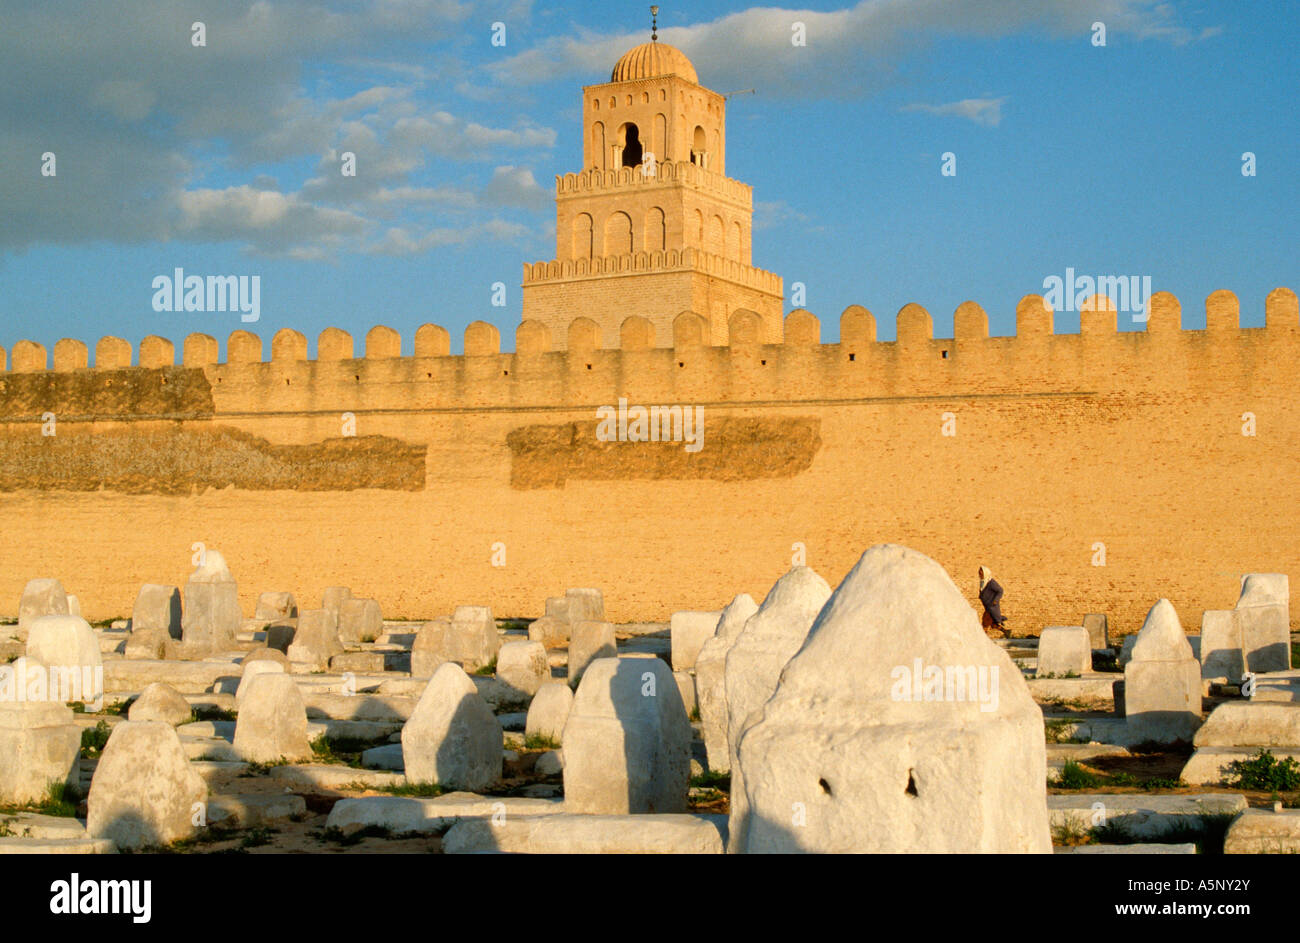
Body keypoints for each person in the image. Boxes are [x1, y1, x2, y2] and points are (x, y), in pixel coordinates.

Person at [978, 565, 1008, 637]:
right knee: (993, 624)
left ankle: (983, 639)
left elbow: (1000, 590)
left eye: (981, 572)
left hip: (992, 607)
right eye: (979, 572)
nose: (980, 573)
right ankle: (1007, 632)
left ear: (985, 573)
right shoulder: (983, 582)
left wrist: (995, 600)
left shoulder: (991, 582)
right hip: (988, 607)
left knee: (985, 623)